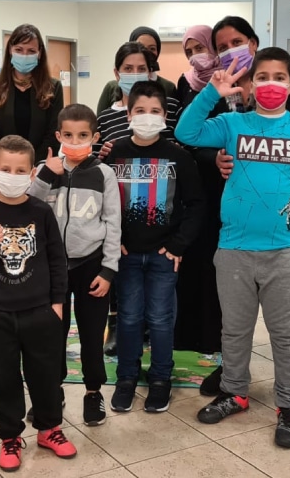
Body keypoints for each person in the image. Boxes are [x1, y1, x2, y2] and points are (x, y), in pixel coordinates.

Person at [176, 48, 290, 449]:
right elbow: (186, 133)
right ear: (250, 83)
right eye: (262, 77)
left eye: (279, 77)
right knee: (234, 329)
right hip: (234, 248)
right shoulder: (232, 124)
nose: (270, 84)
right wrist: (211, 93)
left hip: (285, 250)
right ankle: (234, 392)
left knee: (287, 335)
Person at [201, 16, 290, 399]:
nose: (231, 50)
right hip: (247, 214)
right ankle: (233, 374)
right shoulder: (225, 86)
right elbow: (202, 139)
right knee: (236, 307)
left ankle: (289, 378)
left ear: (253, 43)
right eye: (222, 46)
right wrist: (215, 157)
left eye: (237, 41)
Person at [0, 135, 76, 472]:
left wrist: (57, 304)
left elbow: (57, 259)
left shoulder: (41, 211)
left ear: (31, 173)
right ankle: (10, 436)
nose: (12, 175)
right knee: (3, 378)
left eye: (20, 170)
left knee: (45, 374)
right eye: (6, 169)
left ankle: (49, 429)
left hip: (40, 310)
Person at [105, 81, 205, 414]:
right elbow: (103, 203)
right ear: (128, 114)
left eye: (155, 111)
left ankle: (161, 377)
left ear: (165, 116)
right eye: (140, 111)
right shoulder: (114, 154)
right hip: (126, 254)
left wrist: (178, 244)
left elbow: (196, 204)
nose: (147, 117)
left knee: (161, 319)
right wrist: (113, 241)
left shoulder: (179, 157)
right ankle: (127, 376)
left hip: (164, 255)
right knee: (129, 317)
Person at [28, 104, 122, 426]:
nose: (75, 141)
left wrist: (108, 270)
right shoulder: (46, 169)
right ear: (58, 136)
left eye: (83, 135)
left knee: (92, 334)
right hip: (52, 269)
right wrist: (45, 175)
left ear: (95, 137)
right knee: (51, 334)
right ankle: (52, 390)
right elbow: (27, 208)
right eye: (68, 135)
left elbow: (113, 223)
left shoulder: (104, 174)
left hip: (91, 266)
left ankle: (93, 391)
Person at [96, 42, 181, 356]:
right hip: (121, 220)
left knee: (160, 305)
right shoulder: (106, 117)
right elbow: (96, 166)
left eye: (141, 68)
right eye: (127, 69)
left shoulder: (167, 115)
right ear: (117, 73)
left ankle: (158, 356)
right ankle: (120, 334)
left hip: (158, 215)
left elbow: (175, 160)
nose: (134, 74)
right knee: (126, 296)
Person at [172, 25, 223, 360]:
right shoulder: (185, 83)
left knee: (214, 262)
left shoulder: (227, 83)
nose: (195, 56)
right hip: (190, 182)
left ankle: (212, 336)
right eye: (189, 51)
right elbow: (182, 130)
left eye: (200, 48)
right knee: (189, 258)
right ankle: (186, 334)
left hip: (221, 181)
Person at [0, 24, 63, 162]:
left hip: (40, 164)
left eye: (31, 51)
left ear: (39, 53)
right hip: (3, 164)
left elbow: (54, 133)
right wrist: (7, 161)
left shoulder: (53, 87)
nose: (24, 55)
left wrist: (32, 163)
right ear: (10, 50)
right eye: (19, 50)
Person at [96, 26, 177, 113]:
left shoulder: (168, 88)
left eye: (152, 48)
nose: (146, 52)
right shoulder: (112, 87)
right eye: (128, 68)